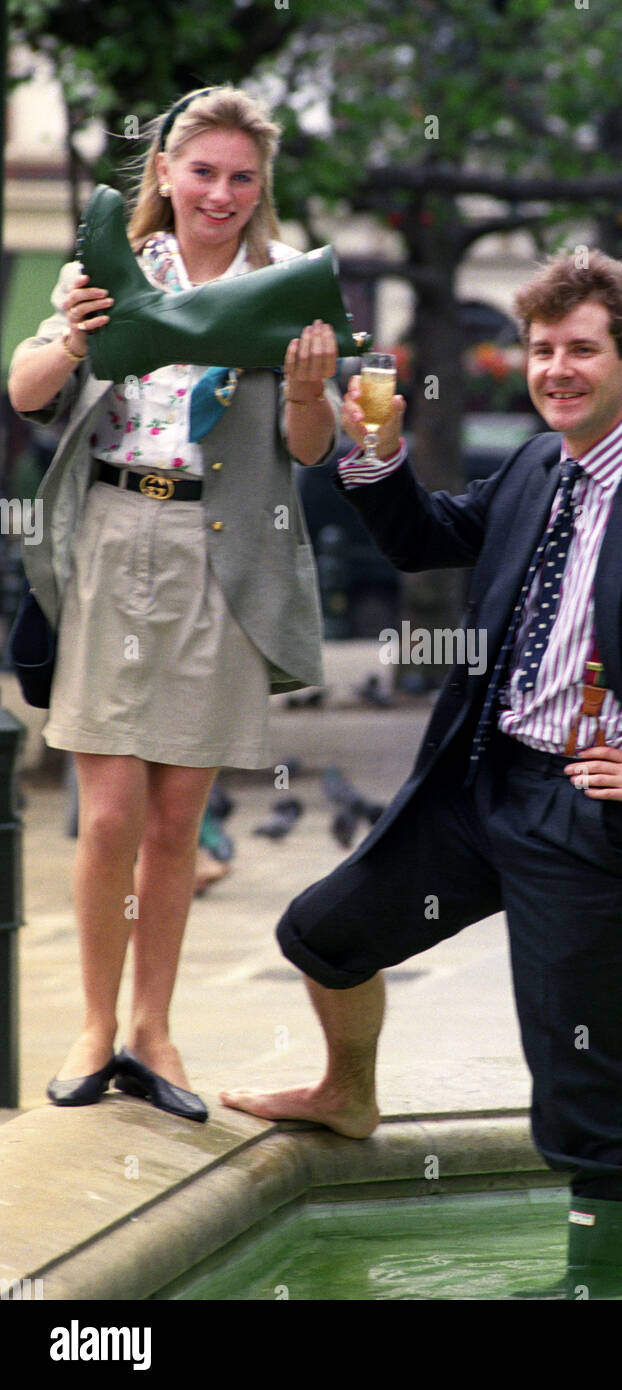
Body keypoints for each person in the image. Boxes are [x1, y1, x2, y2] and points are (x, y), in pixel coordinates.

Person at [220, 250, 622, 1293]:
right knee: (320, 933)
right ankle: (345, 1093)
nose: (555, 369)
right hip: (484, 785)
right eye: (541, 350)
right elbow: (426, 539)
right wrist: (377, 451)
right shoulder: (538, 467)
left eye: (580, 350)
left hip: (588, 813)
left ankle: (603, 1278)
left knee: (584, 1071)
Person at [9, 86, 339, 1122]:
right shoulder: (111, 272)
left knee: (174, 822)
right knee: (104, 814)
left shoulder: (281, 288)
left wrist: (303, 386)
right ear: (163, 173)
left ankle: (154, 1029)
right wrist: (67, 334)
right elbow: (24, 390)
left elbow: (310, 450)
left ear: (260, 188)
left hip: (219, 548)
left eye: (242, 177)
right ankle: (94, 1026)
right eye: (202, 172)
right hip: (112, 536)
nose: (221, 193)